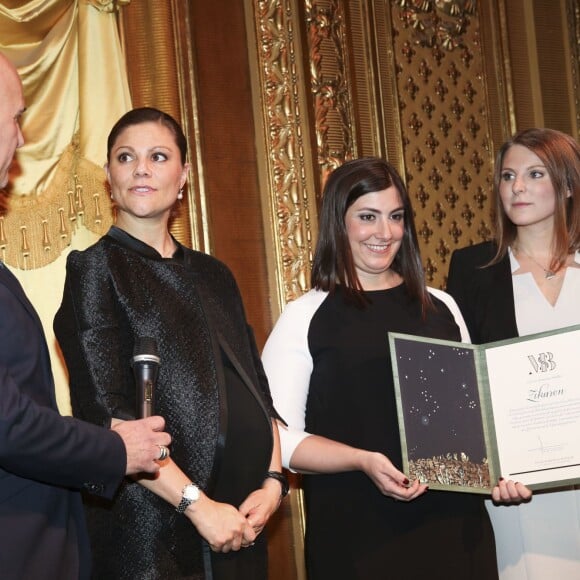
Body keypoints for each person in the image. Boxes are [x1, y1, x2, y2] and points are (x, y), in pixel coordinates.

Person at [53, 107, 285, 580]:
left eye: (158, 156)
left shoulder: (216, 275)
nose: (141, 168)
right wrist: (199, 507)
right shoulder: (94, 270)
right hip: (150, 534)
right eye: (126, 157)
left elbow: (260, 396)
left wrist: (274, 482)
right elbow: (108, 416)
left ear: (183, 177)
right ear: (109, 180)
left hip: (241, 525)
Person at [261, 157, 501, 579]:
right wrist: (361, 460)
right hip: (359, 539)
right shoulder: (305, 316)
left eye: (395, 217)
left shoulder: (441, 306)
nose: (384, 233)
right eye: (367, 217)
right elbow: (279, 437)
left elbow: (477, 422)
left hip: (456, 531)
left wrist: (505, 468)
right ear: (339, 222)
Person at [0, 53, 171, 580]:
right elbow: (7, 422)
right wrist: (116, 448)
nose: (22, 139)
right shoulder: (94, 272)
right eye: (15, 118)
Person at [447, 127, 580, 579]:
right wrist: (485, 471)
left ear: (566, 185)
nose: (516, 187)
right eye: (507, 176)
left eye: (534, 173)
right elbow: (461, 389)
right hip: (519, 493)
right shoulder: (472, 270)